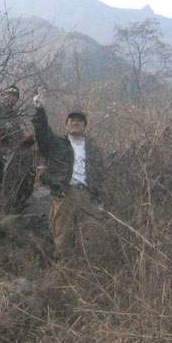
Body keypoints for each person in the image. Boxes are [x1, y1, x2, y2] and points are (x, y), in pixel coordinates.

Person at [31, 92, 104, 261]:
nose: (75, 123)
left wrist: (99, 197)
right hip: (65, 194)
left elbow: (100, 173)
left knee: (89, 235)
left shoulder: (93, 148)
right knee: (62, 235)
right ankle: (62, 272)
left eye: (79, 121)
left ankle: (84, 274)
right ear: (66, 126)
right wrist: (40, 111)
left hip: (87, 195)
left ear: (85, 126)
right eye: (71, 121)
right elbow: (42, 133)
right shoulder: (58, 144)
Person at [0, 85, 36, 212]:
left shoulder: (14, 116)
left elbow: (18, 135)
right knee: (14, 162)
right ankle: (7, 200)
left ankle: (20, 198)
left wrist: (26, 140)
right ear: (4, 95)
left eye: (14, 97)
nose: (11, 99)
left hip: (11, 149)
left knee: (29, 160)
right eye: (9, 95)